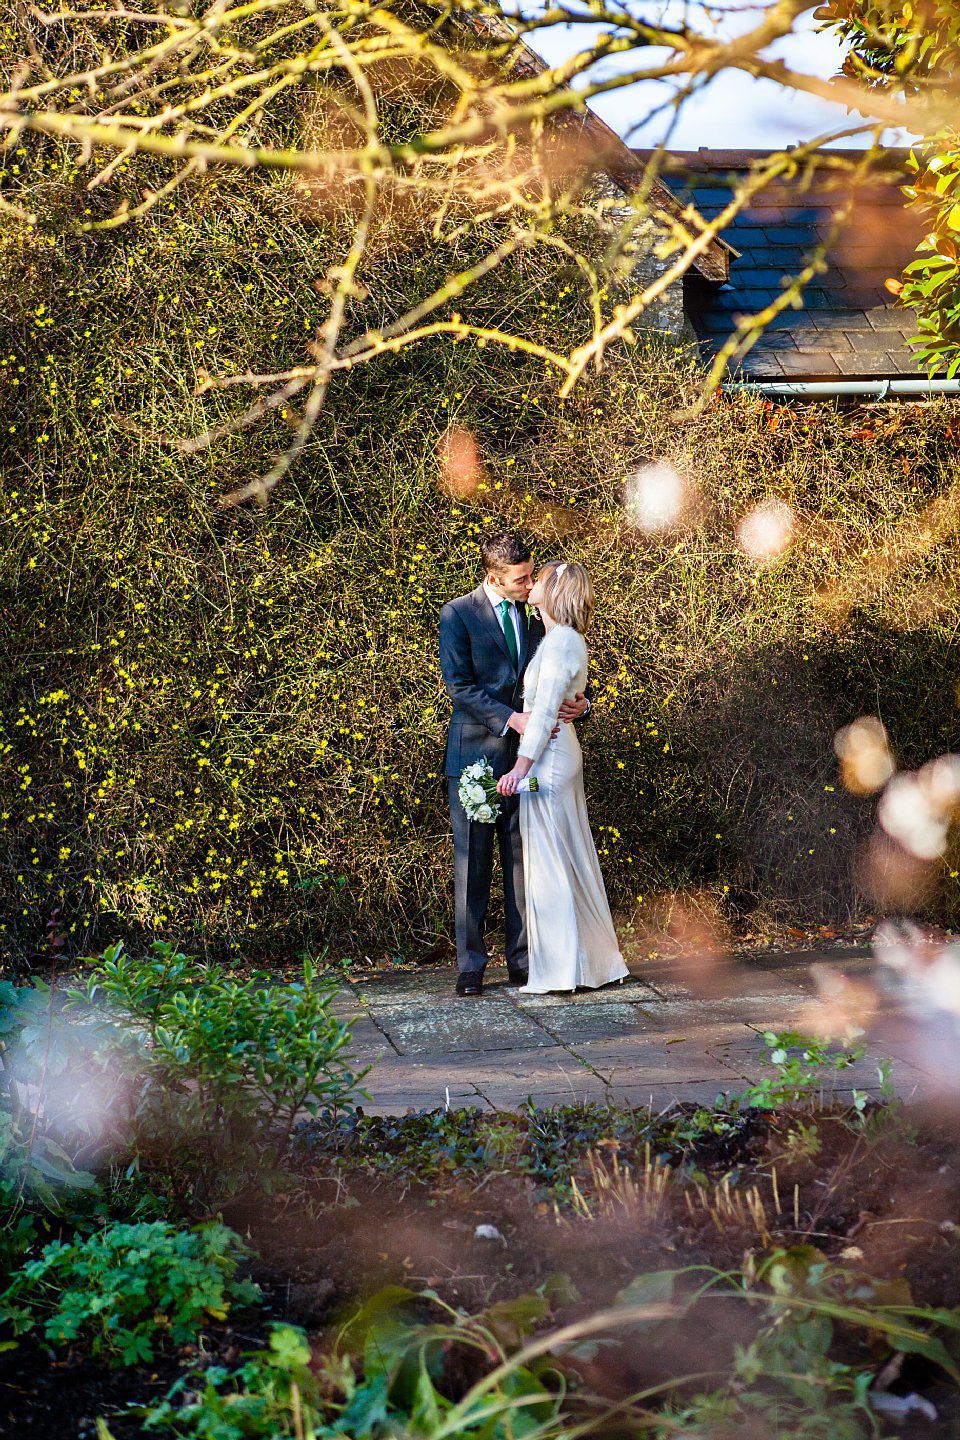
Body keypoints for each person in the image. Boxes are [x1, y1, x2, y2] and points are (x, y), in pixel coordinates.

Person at [439, 532, 589, 997]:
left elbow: (560, 676)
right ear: (493, 577)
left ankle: (524, 961)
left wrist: (582, 706)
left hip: (533, 761)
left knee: (524, 866)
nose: (528, 585)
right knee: (472, 866)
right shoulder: (458, 614)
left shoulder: (538, 616)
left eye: (531, 577)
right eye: (520, 579)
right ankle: (471, 967)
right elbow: (459, 686)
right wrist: (511, 718)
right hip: (475, 756)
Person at [497, 561, 628, 994]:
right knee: (564, 856)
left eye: (538, 579)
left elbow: (547, 708)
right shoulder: (559, 639)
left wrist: (520, 767)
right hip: (556, 751)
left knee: (551, 863)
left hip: (549, 758)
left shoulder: (561, 643)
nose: (529, 584)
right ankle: (586, 964)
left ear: (554, 589)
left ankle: (561, 970)